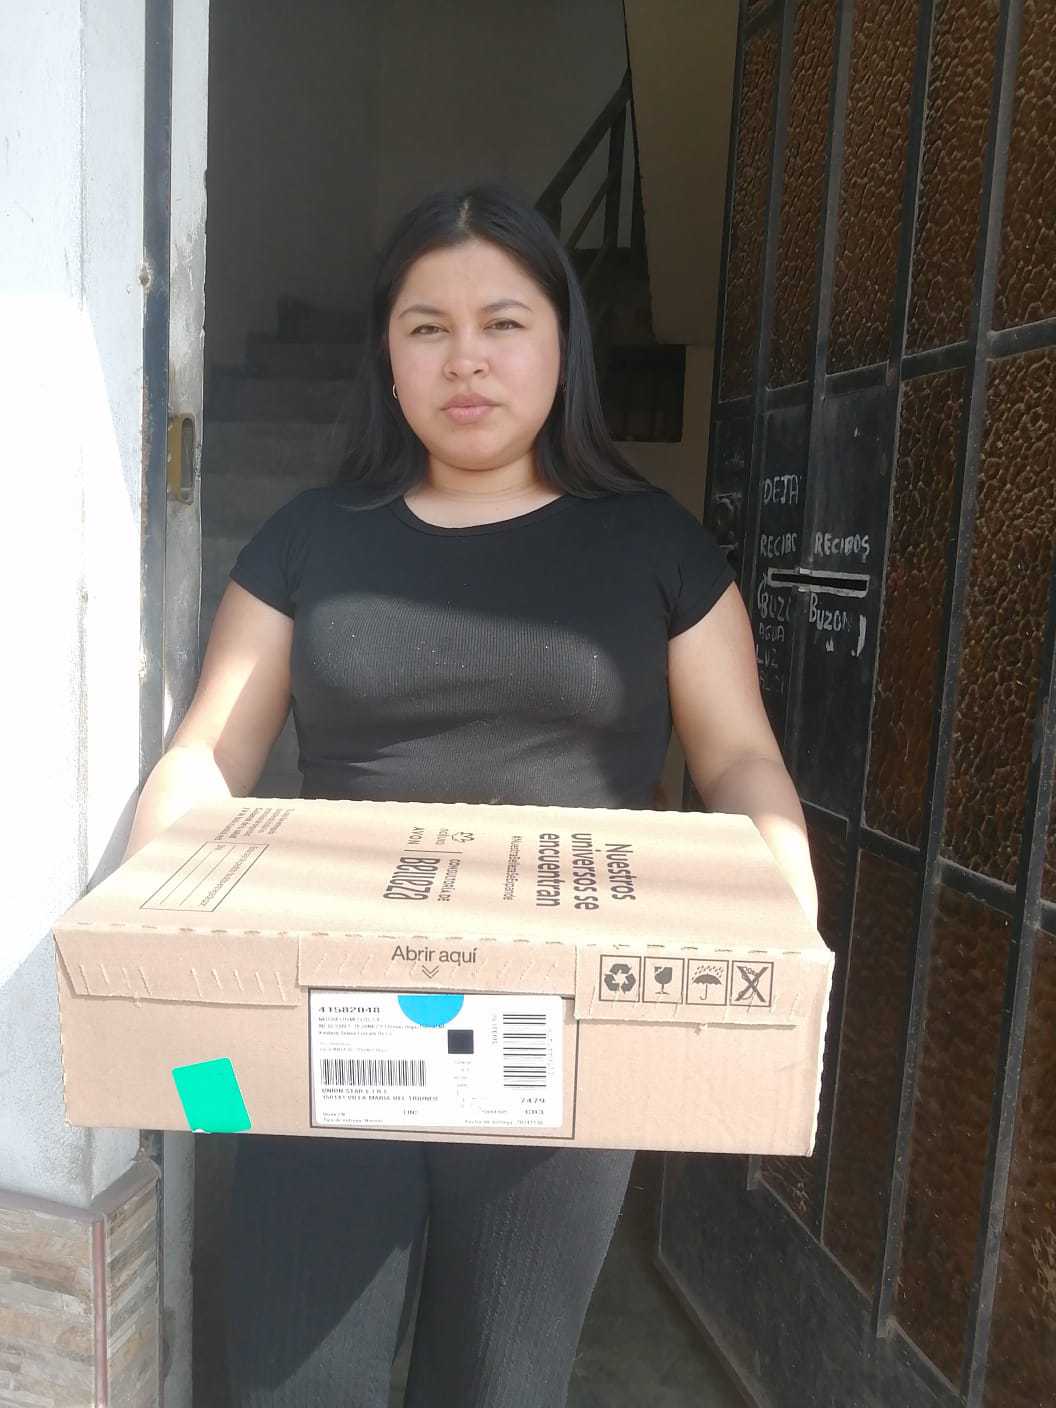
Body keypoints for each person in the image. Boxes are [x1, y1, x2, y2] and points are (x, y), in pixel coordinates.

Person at [125, 185, 818, 1408]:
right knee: (294, 1384)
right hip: (328, 1030)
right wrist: (159, 906)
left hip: (558, 1040)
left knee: (500, 1384)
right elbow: (209, 752)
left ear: (562, 343)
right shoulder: (308, 540)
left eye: (503, 322)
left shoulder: (658, 548)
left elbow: (739, 756)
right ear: (387, 356)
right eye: (426, 328)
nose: (466, 360)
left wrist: (780, 886)